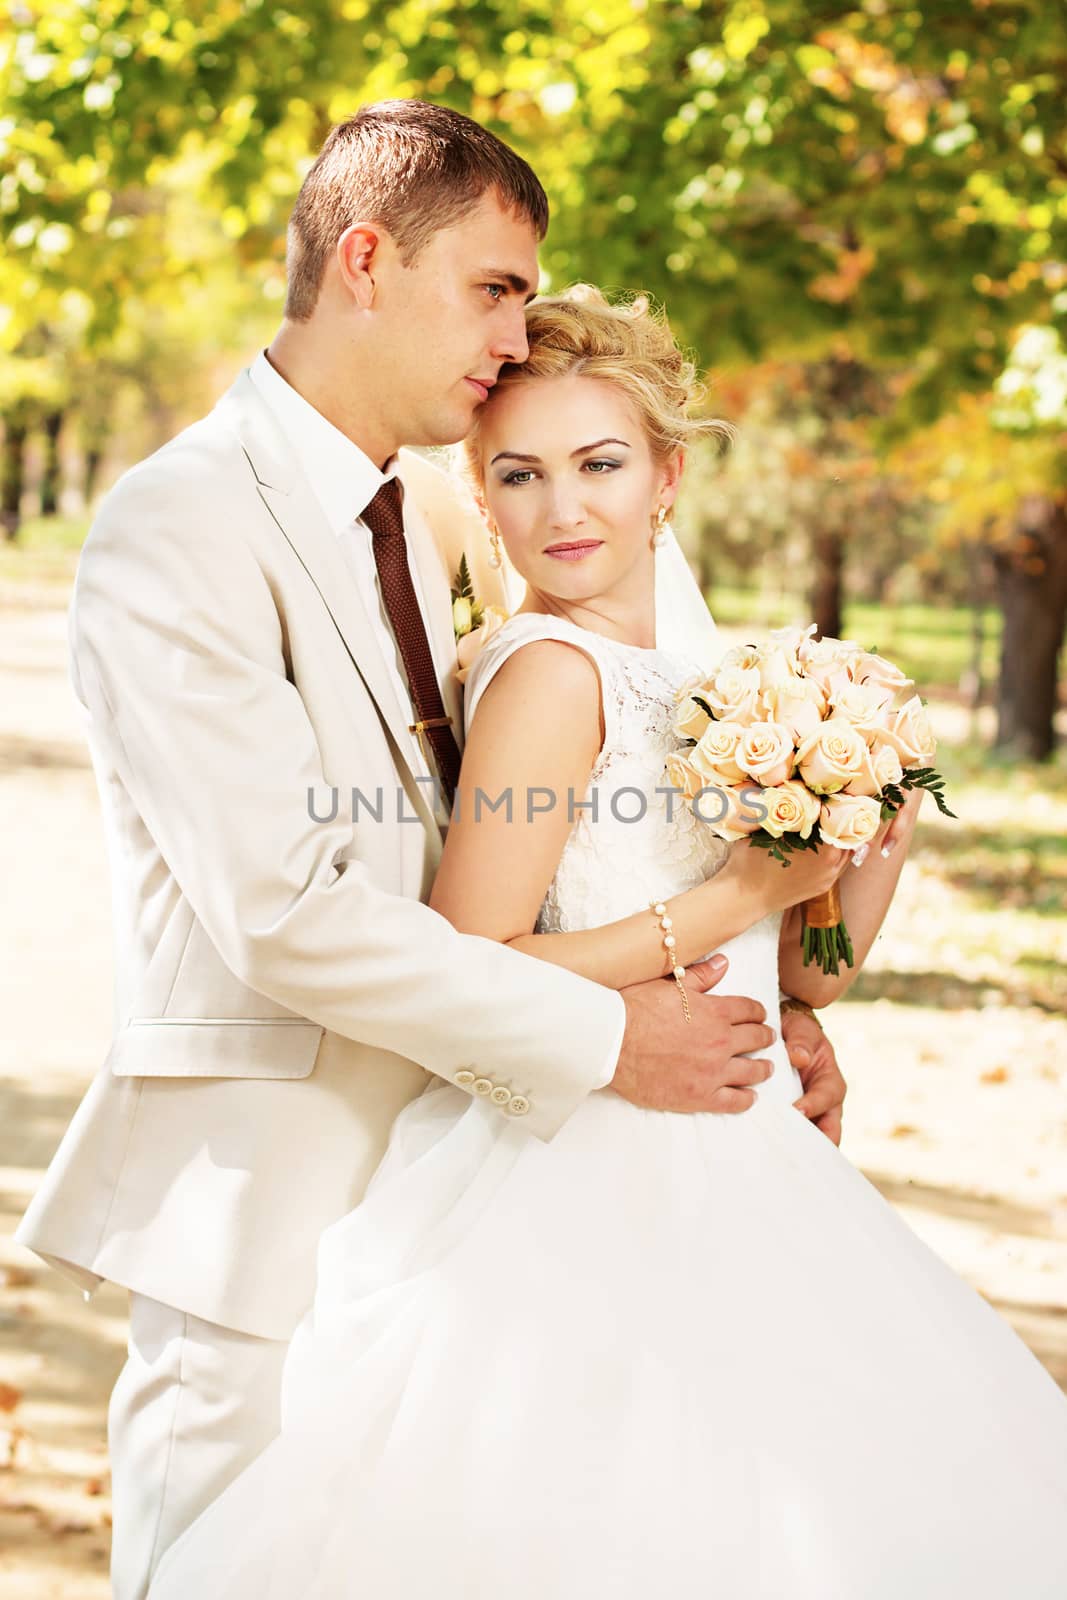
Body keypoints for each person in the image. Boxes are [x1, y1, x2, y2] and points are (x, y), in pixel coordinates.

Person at [14, 102, 842, 1600]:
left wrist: (774, 1017)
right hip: (274, 1207)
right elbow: (286, 916)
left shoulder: (436, 515)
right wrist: (612, 1036)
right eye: (496, 288)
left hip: (474, 1190)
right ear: (369, 259)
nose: (517, 336)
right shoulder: (179, 527)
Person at [148, 286, 1067, 1598]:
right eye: (516, 475)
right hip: (585, 1168)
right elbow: (469, 957)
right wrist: (738, 898)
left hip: (744, 1148)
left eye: (600, 464)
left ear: (668, 476)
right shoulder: (546, 675)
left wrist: (875, 833)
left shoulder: (729, 686)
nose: (562, 510)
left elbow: (810, 978)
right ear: (479, 492)